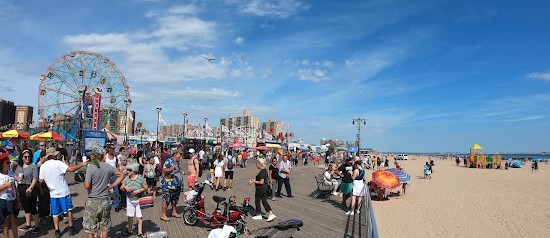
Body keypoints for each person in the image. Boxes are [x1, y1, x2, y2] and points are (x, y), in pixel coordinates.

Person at [39, 147, 87, 238]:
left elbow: (40, 180)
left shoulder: (43, 166)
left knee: (55, 213)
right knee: (68, 210)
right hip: (63, 191)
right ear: (53, 155)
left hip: (53, 193)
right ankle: (71, 227)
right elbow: (70, 170)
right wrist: (81, 164)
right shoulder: (58, 163)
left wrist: (49, 181)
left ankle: (57, 230)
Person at [83, 146, 124, 238]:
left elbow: (87, 186)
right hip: (104, 199)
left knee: (90, 229)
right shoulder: (108, 166)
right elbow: (121, 175)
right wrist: (112, 186)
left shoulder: (91, 167)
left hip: (92, 200)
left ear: (94, 155)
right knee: (104, 227)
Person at [15, 149, 40, 233]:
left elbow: (35, 178)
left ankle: (37, 225)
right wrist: (17, 178)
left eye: (29, 156)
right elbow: (15, 175)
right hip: (21, 187)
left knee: (32, 207)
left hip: (30, 188)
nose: (27, 158)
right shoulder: (19, 166)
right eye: (25, 157)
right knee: (26, 207)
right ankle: (28, 224)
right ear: (22, 158)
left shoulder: (33, 166)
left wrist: (30, 188)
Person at [121, 163, 147, 237]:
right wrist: (125, 187)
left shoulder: (140, 178)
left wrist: (138, 191)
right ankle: (130, 230)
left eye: (129, 170)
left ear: (134, 171)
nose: (127, 171)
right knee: (130, 216)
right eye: (127, 170)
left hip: (139, 199)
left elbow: (145, 187)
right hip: (129, 199)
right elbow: (121, 188)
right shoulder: (126, 178)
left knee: (139, 216)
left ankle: (139, 231)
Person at [0, 150, 20, 238]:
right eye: (7, 162)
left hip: (12, 200)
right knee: (5, 221)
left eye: (9, 162)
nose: (9, 164)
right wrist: (5, 186)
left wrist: (18, 200)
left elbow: (15, 188)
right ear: (1, 164)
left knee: (14, 221)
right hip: (3, 201)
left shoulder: (11, 173)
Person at [160, 151, 184, 221]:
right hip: (168, 185)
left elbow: (178, 171)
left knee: (174, 199)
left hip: (176, 185)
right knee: (166, 199)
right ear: (176, 154)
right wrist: (171, 169)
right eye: (180, 154)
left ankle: (174, 212)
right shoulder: (169, 161)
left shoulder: (177, 162)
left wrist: (184, 173)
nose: (181, 156)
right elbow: (164, 170)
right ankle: (163, 215)